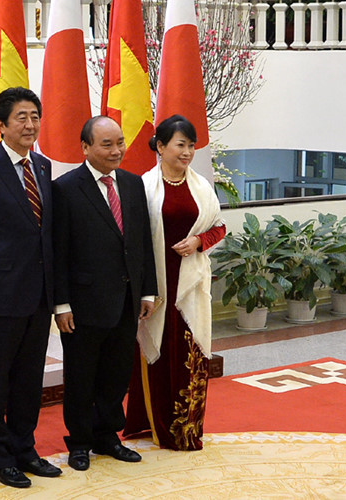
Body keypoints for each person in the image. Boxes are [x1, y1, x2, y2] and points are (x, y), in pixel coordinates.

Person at [0, 87, 60, 488]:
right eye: (21, 117)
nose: (30, 124)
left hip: (39, 294)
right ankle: (0, 458)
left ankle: (25, 449)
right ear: (1, 124)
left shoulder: (44, 166)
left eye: (35, 116)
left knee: (29, 378)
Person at [52, 116, 157, 471]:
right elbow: (58, 252)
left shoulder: (131, 184)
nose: (116, 151)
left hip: (127, 300)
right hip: (82, 304)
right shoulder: (65, 188)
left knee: (115, 374)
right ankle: (79, 441)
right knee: (81, 376)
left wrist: (148, 291)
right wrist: (61, 303)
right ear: (85, 147)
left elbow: (142, 242)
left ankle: (108, 436)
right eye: (107, 145)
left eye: (120, 143)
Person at [123, 115, 226, 451]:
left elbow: (219, 228)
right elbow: (134, 238)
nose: (187, 152)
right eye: (181, 145)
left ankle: (185, 428)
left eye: (192, 146)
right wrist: (141, 289)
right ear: (160, 146)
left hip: (190, 285)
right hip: (155, 282)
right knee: (156, 348)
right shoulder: (144, 186)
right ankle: (152, 423)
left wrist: (198, 242)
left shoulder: (202, 187)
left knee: (189, 351)